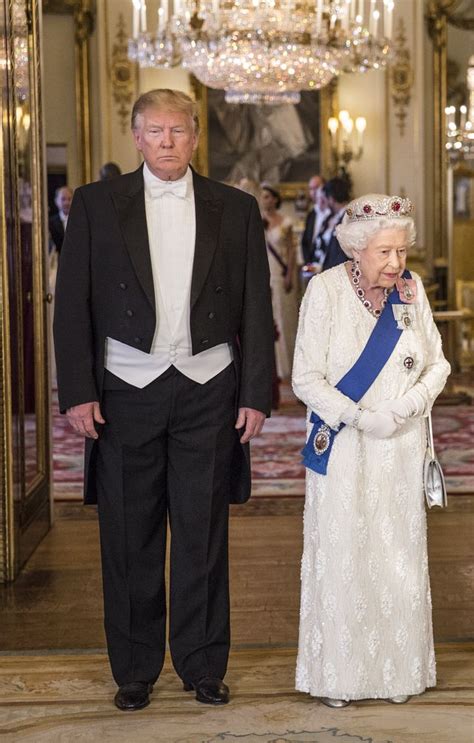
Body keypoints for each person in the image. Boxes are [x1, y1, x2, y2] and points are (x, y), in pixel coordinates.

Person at [53, 88, 274, 712]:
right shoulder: (96, 205)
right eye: (155, 131)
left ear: (196, 136)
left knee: (202, 535)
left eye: (178, 131)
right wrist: (77, 391)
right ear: (136, 136)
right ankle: (134, 669)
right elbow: (72, 306)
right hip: (126, 390)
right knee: (128, 535)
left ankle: (204, 665)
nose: (168, 142)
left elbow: (257, 306)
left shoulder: (236, 208)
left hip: (210, 388)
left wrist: (256, 391)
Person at [292, 193, 450, 707]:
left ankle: (396, 674)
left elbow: (438, 366)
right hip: (344, 448)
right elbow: (305, 378)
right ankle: (339, 677)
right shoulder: (324, 292)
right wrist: (362, 418)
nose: (396, 263)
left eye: (402, 251)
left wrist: (401, 412)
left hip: (399, 447)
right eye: (384, 252)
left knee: (397, 558)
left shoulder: (412, 291)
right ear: (356, 249)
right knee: (343, 558)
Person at [261, 183, 299, 380]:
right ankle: (270, 367)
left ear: (275, 199)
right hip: (263, 276)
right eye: (263, 196)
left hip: (281, 274)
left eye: (268, 196)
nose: (264, 199)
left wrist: (289, 274)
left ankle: (287, 367)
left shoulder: (286, 222)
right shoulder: (256, 220)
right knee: (266, 320)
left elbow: (292, 250)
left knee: (284, 319)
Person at [320, 177, 350, 271]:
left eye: (326, 199)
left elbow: (343, 253)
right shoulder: (332, 217)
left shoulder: (348, 218)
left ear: (331, 199)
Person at [300, 175, 329, 264]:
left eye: (316, 188)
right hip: (312, 263)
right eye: (311, 189)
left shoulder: (332, 213)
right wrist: (308, 262)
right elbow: (305, 241)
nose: (313, 192)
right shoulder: (311, 214)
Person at [49, 185, 73, 254]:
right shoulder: (50, 223)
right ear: (56, 201)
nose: (66, 203)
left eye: (69, 199)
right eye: (63, 199)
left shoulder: (80, 221)